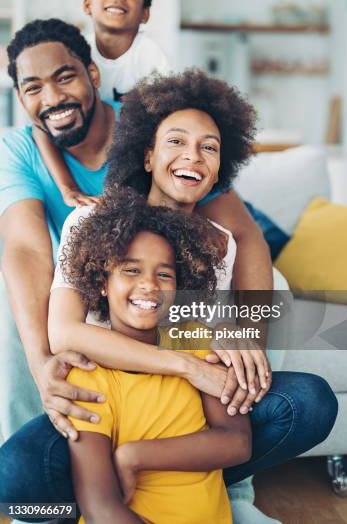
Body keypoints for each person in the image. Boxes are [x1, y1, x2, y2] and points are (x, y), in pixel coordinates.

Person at [0, 24, 337, 524]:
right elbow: (65, 329)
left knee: (309, 401)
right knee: (14, 476)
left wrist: (241, 337)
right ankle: (106, 498)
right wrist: (190, 364)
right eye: (176, 141)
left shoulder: (219, 244)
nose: (192, 156)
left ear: (220, 167)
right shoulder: (88, 222)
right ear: (148, 154)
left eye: (210, 148)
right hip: (108, 408)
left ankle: (193, 484)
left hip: (184, 414)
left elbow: (202, 337)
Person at [63, 189, 251, 523]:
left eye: (164, 274)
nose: (150, 285)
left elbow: (237, 442)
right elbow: (99, 505)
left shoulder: (194, 340)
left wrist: (133, 456)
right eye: (131, 270)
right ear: (102, 282)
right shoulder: (87, 375)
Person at [32, 0, 169, 208]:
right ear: (87, 4)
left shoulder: (152, 57)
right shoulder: (72, 53)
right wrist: (68, 188)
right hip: (83, 149)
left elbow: (163, 124)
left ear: (145, 13)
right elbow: (41, 126)